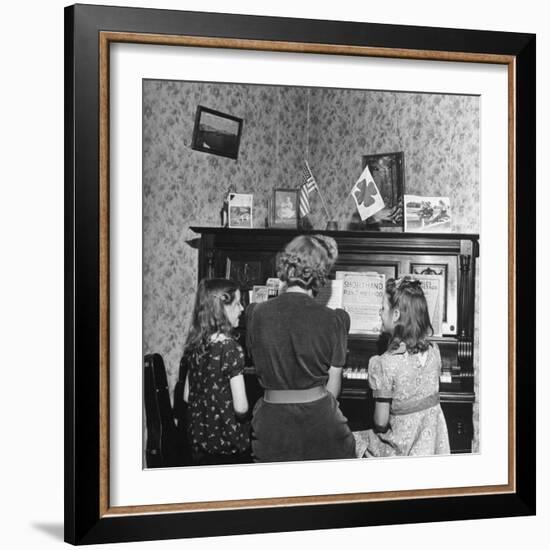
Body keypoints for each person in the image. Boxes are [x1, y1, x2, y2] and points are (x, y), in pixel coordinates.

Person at [246, 235, 356, 462]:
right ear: (320, 272)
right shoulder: (334, 319)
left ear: (286, 264)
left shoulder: (255, 314)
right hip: (321, 427)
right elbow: (333, 391)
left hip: (271, 429)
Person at [354, 276, 450, 457]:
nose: (380, 313)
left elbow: (381, 422)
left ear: (396, 315)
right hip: (432, 449)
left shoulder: (384, 363)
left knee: (352, 440)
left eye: (383, 308)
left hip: (400, 449)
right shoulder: (434, 352)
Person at [180, 278, 251, 465]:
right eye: (237, 303)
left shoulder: (195, 345)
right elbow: (241, 407)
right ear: (222, 309)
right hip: (228, 447)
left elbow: (187, 396)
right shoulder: (230, 348)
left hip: (198, 445)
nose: (242, 309)